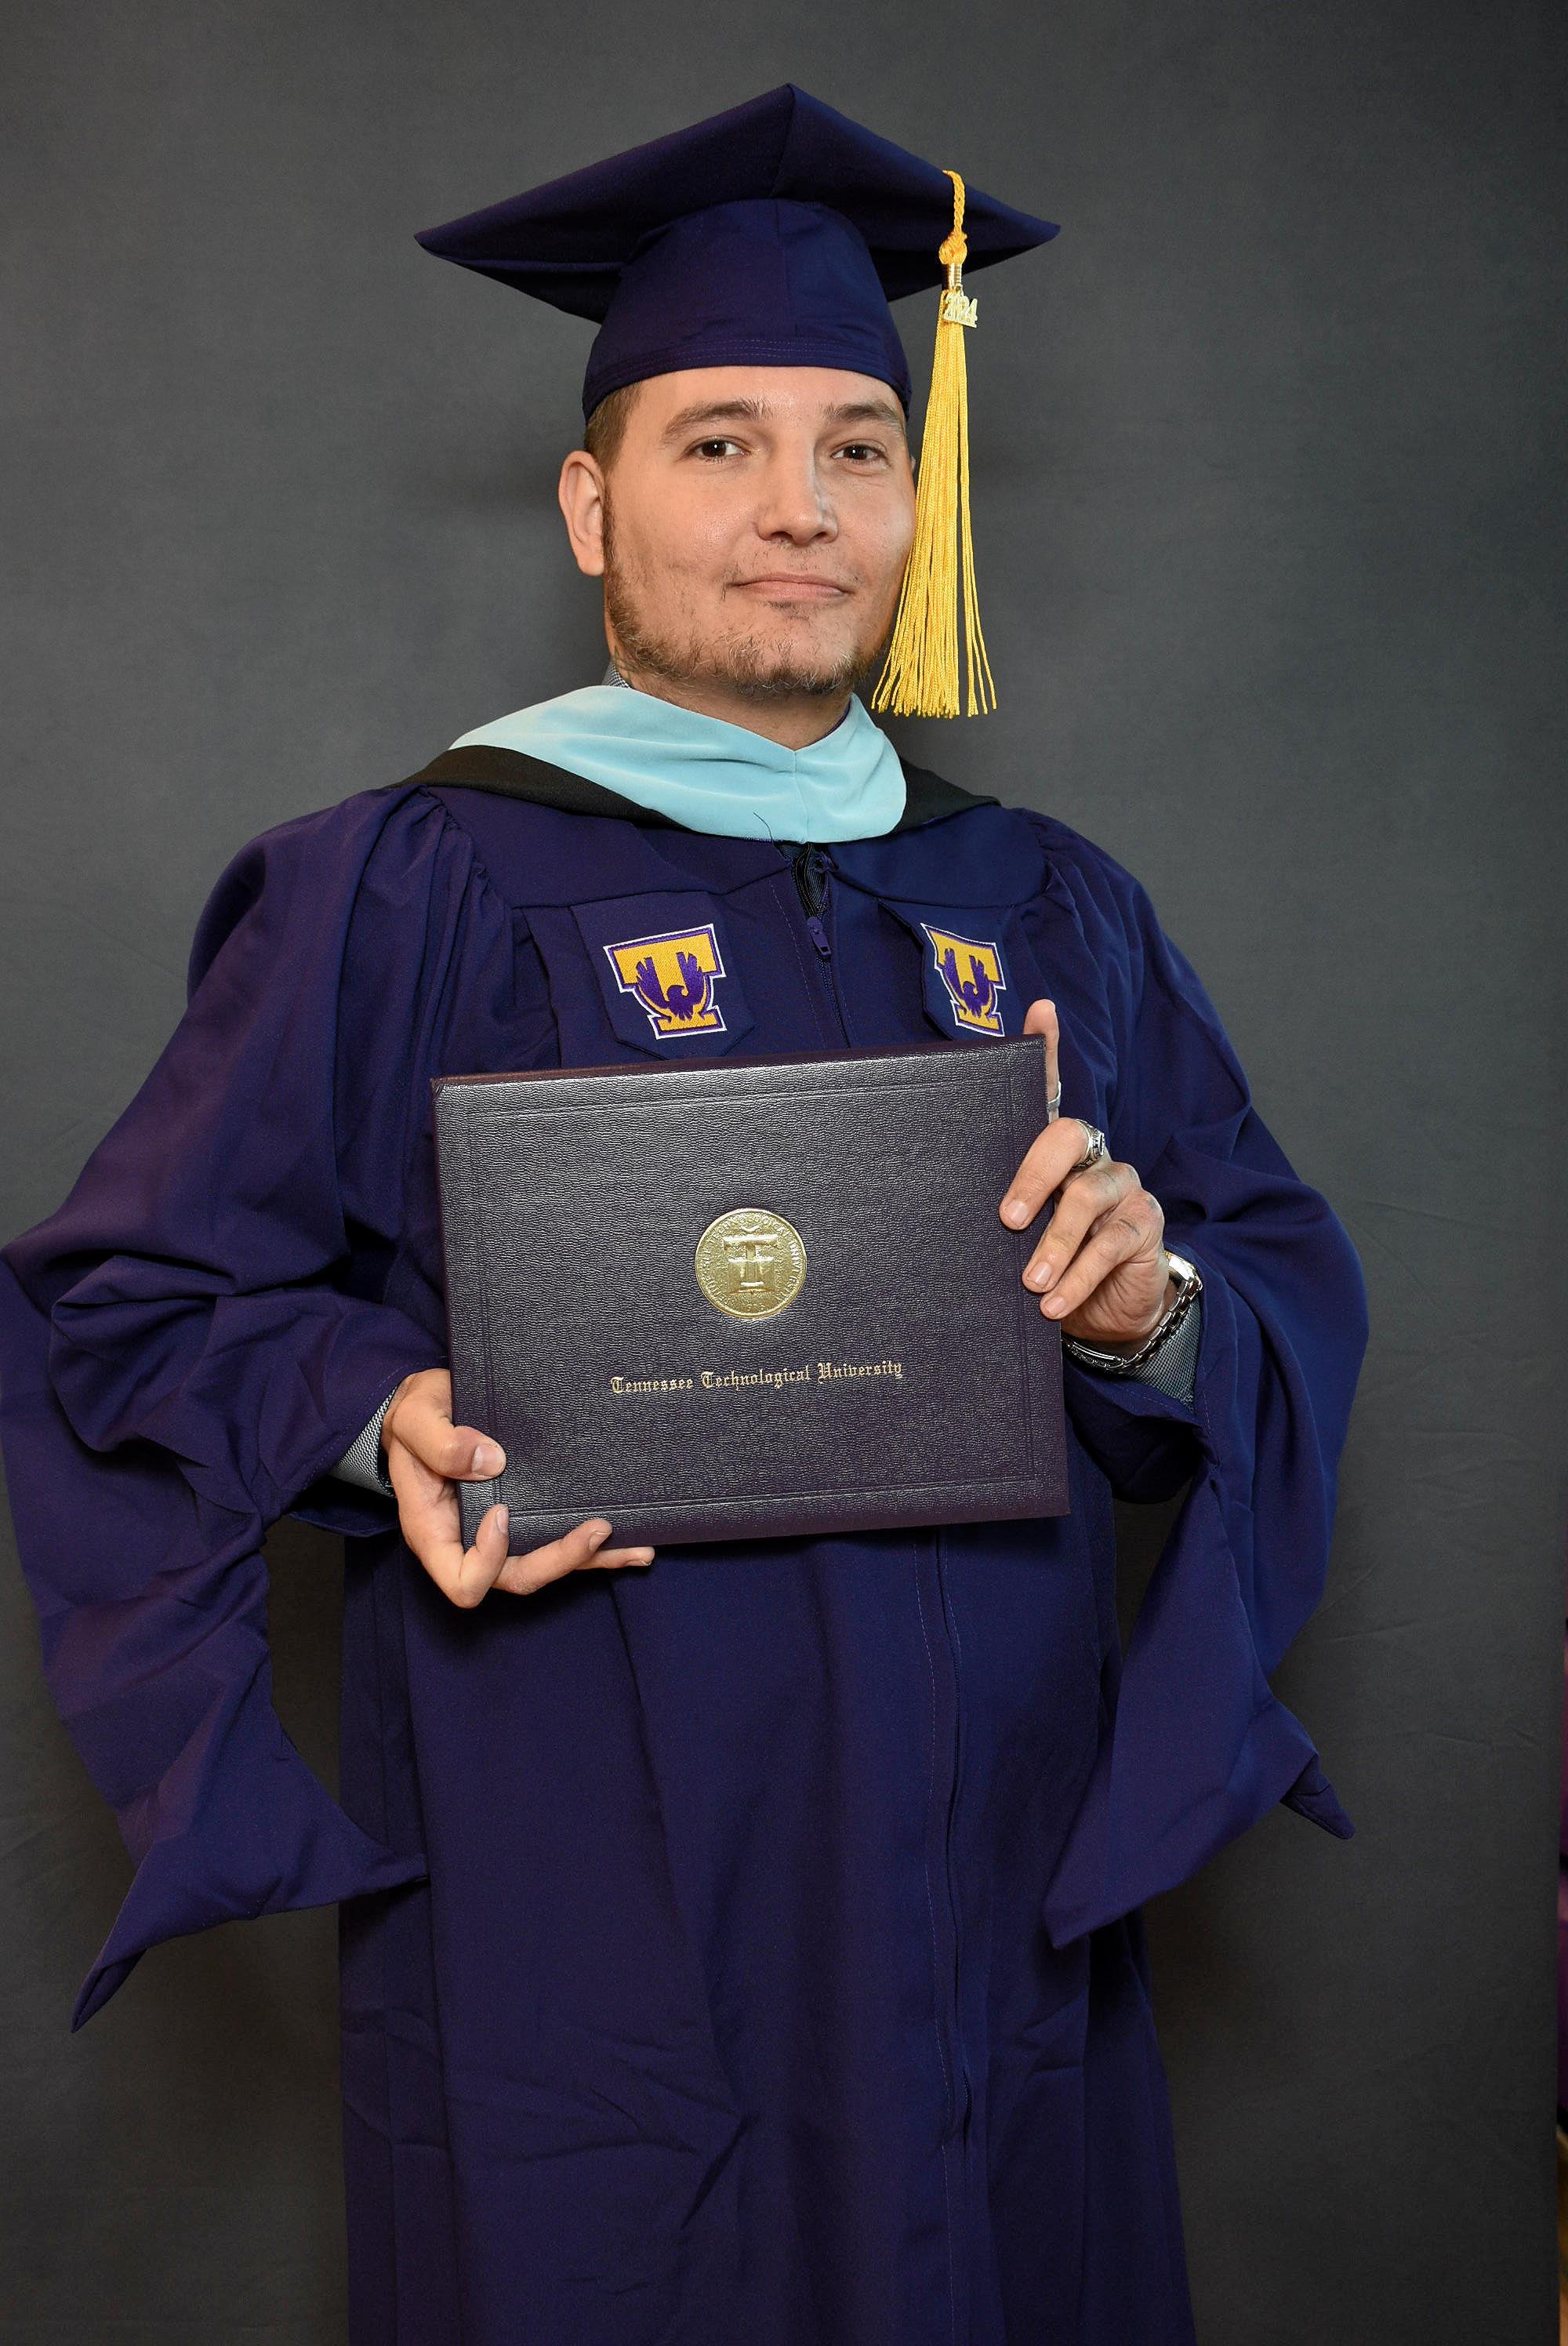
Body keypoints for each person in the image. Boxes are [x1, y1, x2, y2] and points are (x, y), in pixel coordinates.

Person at [0, 83, 1367, 2346]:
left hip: (988, 1887)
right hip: (588, 1882)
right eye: (716, 442)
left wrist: (1157, 1314)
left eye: (855, 443)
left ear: (917, 503)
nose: (798, 509)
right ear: (589, 503)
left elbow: (1267, 1279)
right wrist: (377, 1418)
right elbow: (129, 1304)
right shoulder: (411, 880)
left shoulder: (1046, 903)